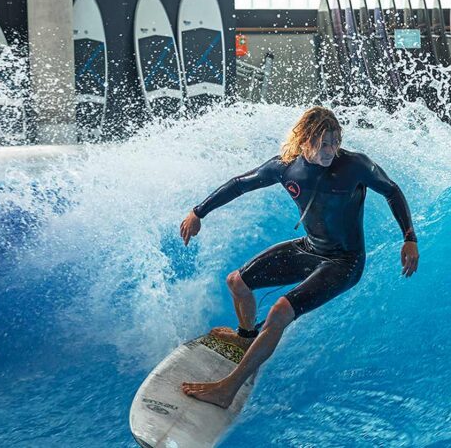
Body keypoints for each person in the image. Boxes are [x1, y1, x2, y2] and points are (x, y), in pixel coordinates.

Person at [179, 106, 420, 408]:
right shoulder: (286, 167)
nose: (330, 150)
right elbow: (240, 184)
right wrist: (198, 212)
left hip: (345, 262)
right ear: (305, 140)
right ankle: (246, 337)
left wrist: (409, 238)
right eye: (323, 143)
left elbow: (392, 191)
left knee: (280, 311)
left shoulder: (355, 166)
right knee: (237, 281)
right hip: (311, 248)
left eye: (335, 141)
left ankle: (228, 389)